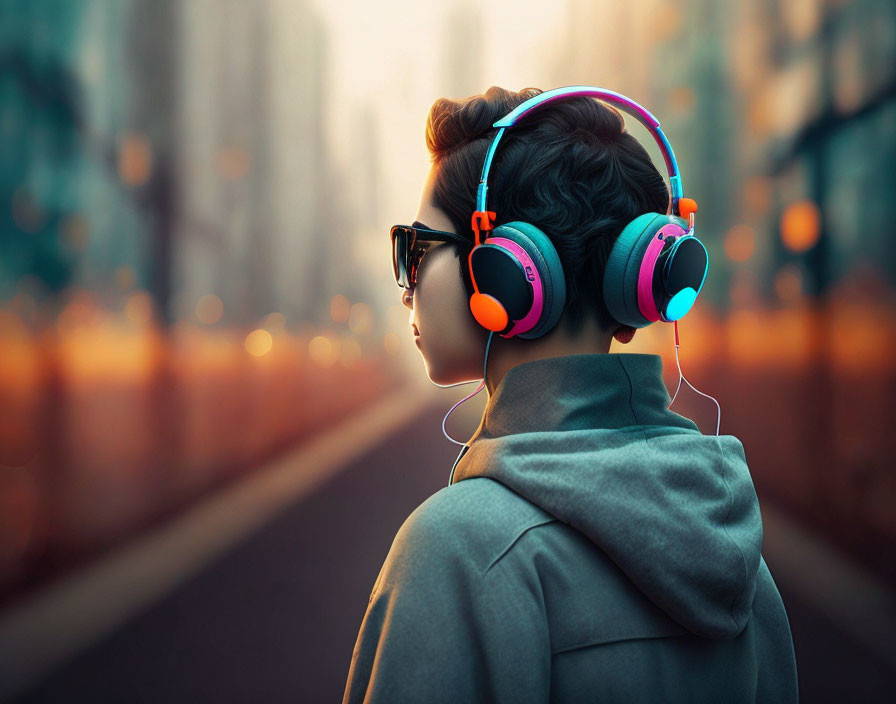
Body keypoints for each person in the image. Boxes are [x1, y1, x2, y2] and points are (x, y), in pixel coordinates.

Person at [343, 85, 798, 703]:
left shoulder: (457, 552)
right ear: (644, 284)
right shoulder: (739, 561)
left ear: (499, 269)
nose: (407, 286)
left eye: (415, 249)